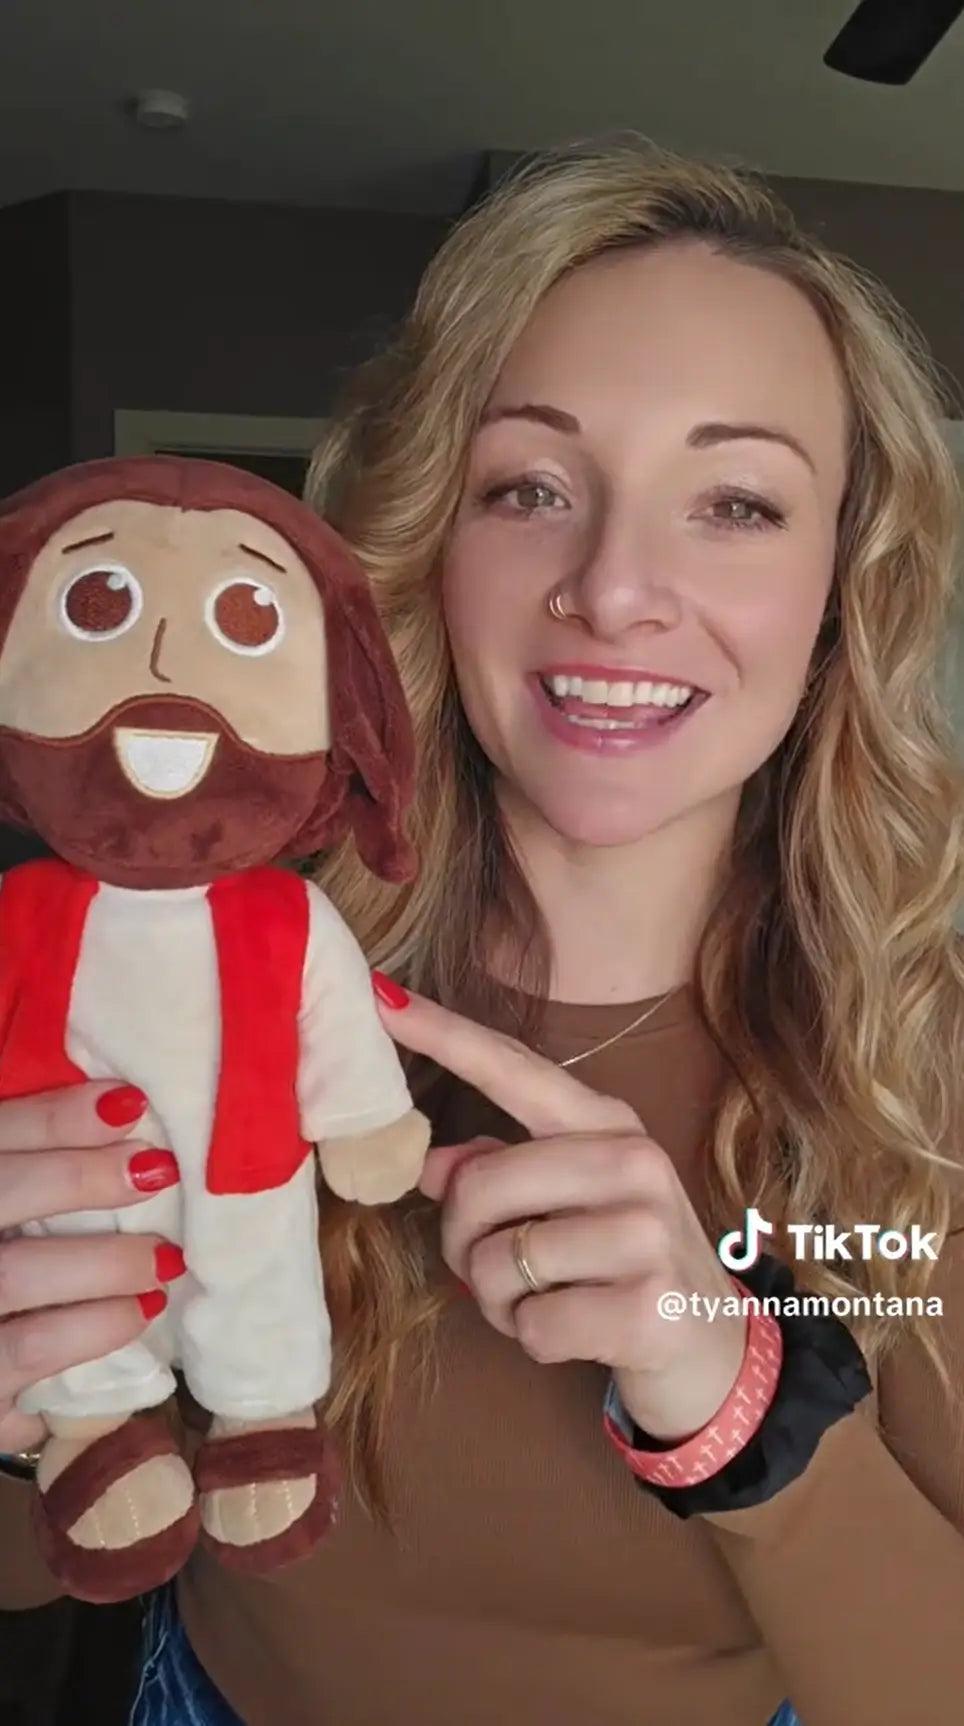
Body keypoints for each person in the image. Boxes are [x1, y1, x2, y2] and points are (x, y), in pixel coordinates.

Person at [1, 141, 963, 1726]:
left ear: (845, 585)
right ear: (427, 538)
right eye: (529, 487)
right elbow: (36, 1569)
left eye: (736, 502)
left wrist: (740, 1394)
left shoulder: (921, 1077)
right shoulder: (174, 980)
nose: (616, 588)